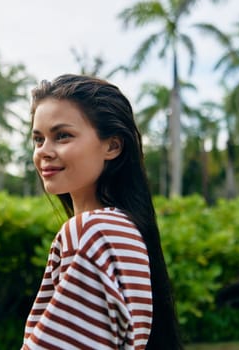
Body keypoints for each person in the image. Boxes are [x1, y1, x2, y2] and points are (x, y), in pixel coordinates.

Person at [22, 74, 183, 350]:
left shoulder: (91, 232)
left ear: (112, 146)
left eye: (62, 136)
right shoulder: (125, 230)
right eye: (38, 139)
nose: (44, 152)